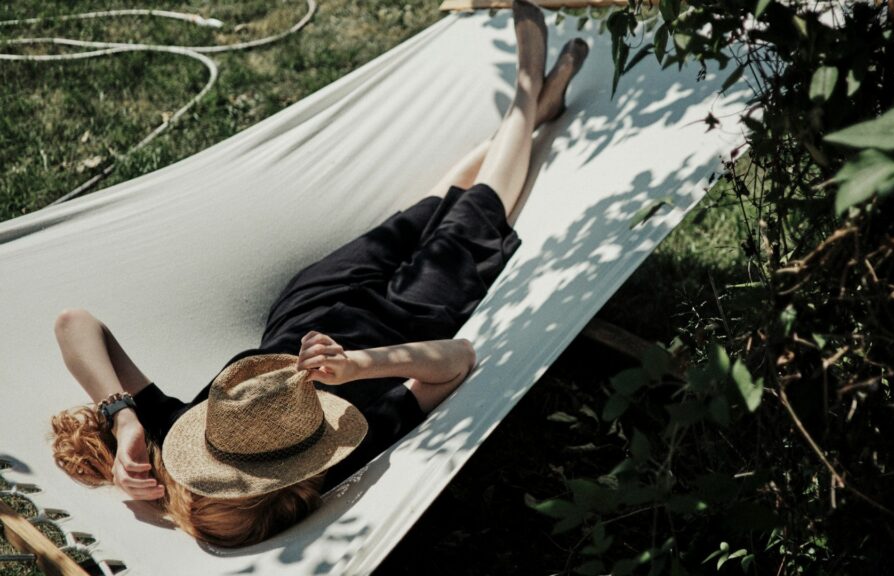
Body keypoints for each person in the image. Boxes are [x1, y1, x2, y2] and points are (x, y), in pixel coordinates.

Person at [48, 0, 589, 548]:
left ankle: (536, 110)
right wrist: (357, 366)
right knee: (475, 214)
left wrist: (124, 418)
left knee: (419, 212)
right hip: (405, 318)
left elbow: (75, 323)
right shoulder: (341, 451)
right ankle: (528, 91)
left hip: (306, 311)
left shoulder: (186, 460)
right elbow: (457, 361)